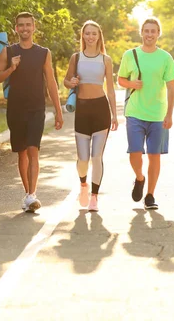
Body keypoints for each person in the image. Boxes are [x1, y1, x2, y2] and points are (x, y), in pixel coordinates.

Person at [0, 12, 63, 212]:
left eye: (28, 25)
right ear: (16, 28)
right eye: (20, 25)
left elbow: (50, 82)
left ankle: (32, 195)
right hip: (15, 109)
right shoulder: (9, 51)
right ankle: (27, 194)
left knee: (33, 150)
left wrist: (58, 110)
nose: (24, 28)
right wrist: (10, 69)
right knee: (22, 152)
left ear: (34, 27)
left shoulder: (43, 53)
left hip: (36, 108)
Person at [117, 17, 174, 210]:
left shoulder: (165, 58)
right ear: (141, 33)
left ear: (158, 33)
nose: (150, 34)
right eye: (146, 31)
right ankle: (139, 177)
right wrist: (131, 84)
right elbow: (120, 79)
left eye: (153, 31)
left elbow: (171, 87)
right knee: (135, 152)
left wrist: (169, 114)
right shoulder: (130, 54)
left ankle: (150, 195)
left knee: (154, 155)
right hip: (135, 111)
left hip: (157, 114)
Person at [63, 20, 118, 212]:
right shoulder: (76, 58)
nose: (91, 36)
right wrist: (72, 82)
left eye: (94, 33)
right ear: (83, 35)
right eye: (87, 33)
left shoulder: (106, 60)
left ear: (99, 36)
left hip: (101, 109)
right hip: (82, 110)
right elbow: (66, 82)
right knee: (83, 159)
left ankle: (94, 197)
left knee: (96, 156)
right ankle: (83, 185)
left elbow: (110, 90)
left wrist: (115, 115)